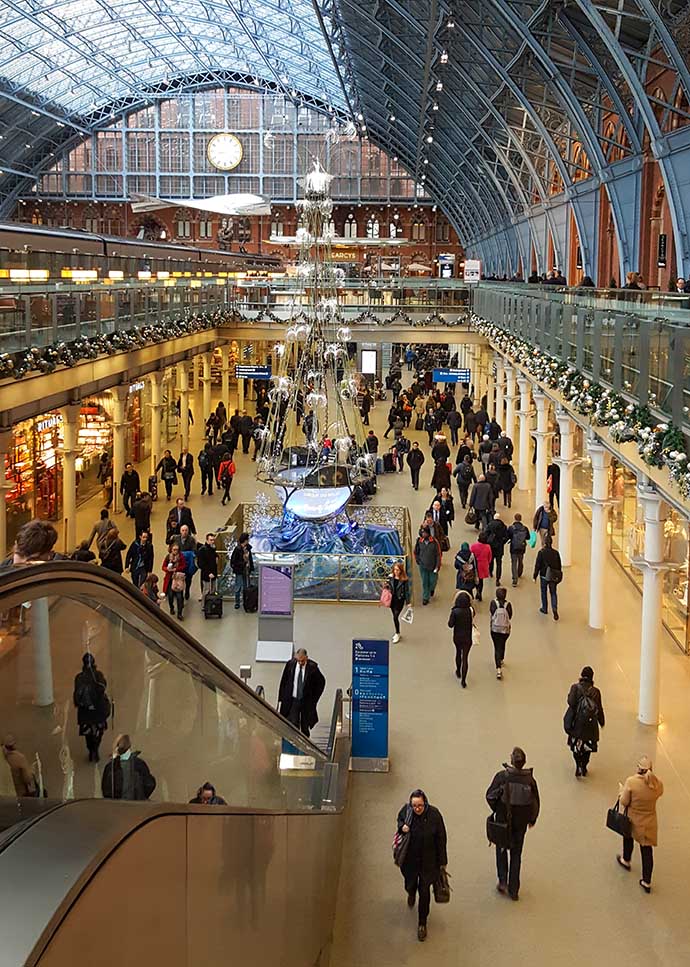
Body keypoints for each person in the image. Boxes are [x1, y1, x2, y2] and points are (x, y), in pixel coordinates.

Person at [486, 747, 540, 901]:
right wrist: (532, 819)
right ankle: (514, 889)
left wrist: (497, 809)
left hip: (503, 820)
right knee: (516, 853)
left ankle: (502, 881)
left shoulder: (502, 777)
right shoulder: (530, 780)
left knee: (501, 849)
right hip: (521, 824)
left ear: (512, 761)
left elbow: (490, 795)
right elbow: (535, 803)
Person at [396, 789, 447, 942]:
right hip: (410, 862)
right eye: (414, 806)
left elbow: (441, 838)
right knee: (410, 884)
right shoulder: (406, 811)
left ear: (425, 803)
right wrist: (402, 827)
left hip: (428, 863)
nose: (417, 809)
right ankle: (411, 893)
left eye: (420, 805)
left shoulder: (434, 815)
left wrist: (442, 862)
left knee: (424, 893)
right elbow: (399, 821)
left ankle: (422, 923)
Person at [616, 755, 664, 893]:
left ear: (639, 768)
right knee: (647, 851)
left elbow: (624, 802)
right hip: (649, 823)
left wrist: (621, 792)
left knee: (628, 837)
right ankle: (646, 881)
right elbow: (660, 791)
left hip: (633, 819)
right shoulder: (656, 784)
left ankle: (626, 860)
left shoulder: (631, 782)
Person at [564, 666, 605, 777]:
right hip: (590, 726)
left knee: (576, 748)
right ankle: (584, 766)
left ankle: (578, 765)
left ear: (581, 676)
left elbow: (571, 703)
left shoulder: (575, 688)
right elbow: (599, 708)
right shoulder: (596, 692)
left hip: (576, 724)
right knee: (587, 749)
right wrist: (602, 721)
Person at [277, 648, 326, 737]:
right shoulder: (290, 665)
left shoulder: (312, 668)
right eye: (298, 660)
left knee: (304, 726)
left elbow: (321, 682)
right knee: (293, 722)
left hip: (305, 701)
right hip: (293, 699)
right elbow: (284, 681)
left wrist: (314, 698)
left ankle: (305, 744)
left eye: (302, 661)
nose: (300, 663)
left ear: (306, 658)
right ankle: (295, 742)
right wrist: (281, 698)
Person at [73, 653, 110, 762]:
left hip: (85, 712)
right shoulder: (98, 675)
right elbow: (103, 687)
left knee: (88, 734)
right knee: (99, 731)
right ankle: (96, 748)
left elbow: (76, 695)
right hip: (98, 710)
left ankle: (91, 750)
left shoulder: (79, 677)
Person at [101, 733, 156, 801]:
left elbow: (105, 790)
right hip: (136, 804)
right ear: (129, 746)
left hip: (117, 806)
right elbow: (149, 784)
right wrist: (142, 797)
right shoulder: (139, 764)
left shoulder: (110, 766)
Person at [448, 590, 475, 687]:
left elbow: (450, 625)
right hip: (468, 637)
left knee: (458, 653)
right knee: (465, 658)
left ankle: (458, 671)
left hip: (457, 636)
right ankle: (463, 680)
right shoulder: (471, 611)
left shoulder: (455, 611)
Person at [533, 535, 562, 620]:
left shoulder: (541, 552)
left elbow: (537, 565)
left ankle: (544, 608)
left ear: (545, 543)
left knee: (544, 592)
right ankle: (554, 609)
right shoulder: (556, 553)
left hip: (544, 575)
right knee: (553, 593)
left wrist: (535, 575)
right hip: (553, 576)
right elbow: (559, 565)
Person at [414, 525, 441, 606]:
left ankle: (431, 589)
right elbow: (416, 552)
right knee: (425, 582)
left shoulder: (434, 542)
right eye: (422, 533)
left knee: (433, 581)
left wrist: (437, 566)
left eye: (425, 533)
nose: (423, 534)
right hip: (423, 565)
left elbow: (438, 554)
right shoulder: (419, 541)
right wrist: (418, 561)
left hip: (432, 565)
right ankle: (425, 597)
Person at [489, 587, 512, 680]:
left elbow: (491, 612)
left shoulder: (493, 603)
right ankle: (501, 658)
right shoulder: (508, 604)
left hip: (495, 628)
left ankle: (498, 668)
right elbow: (510, 615)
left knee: (496, 647)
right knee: (502, 644)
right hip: (505, 630)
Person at [162, 542, 187, 619]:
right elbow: (163, 567)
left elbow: (184, 566)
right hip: (170, 579)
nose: (175, 551)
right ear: (171, 550)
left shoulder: (181, 557)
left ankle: (179, 613)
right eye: (174, 550)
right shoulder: (168, 557)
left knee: (179, 596)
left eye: (177, 550)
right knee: (170, 595)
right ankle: (171, 607)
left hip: (178, 579)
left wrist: (176, 569)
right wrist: (168, 569)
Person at [230, 532, 254, 610]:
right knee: (238, 586)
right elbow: (234, 561)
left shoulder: (247, 548)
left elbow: (250, 559)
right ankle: (237, 602)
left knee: (245, 586)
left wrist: (251, 568)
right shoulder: (238, 549)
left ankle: (245, 601)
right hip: (240, 570)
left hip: (246, 570)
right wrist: (243, 563)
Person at [388, 561, 410, 643]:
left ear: (401, 570)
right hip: (392, 600)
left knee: (395, 616)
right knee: (394, 616)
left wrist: (408, 602)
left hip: (399, 600)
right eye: (394, 570)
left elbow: (407, 591)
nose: (396, 572)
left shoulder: (404, 580)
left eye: (397, 570)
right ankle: (397, 632)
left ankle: (397, 633)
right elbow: (389, 586)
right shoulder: (391, 577)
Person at [173, 524, 197, 600]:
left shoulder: (191, 540)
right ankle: (180, 593)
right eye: (183, 530)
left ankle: (187, 590)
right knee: (179, 578)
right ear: (180, 531)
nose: (184, 532)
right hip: (179, 563)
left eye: (186, 530)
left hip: (188, 563)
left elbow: (194, 551)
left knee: (188, 579)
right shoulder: (176, 539)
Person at [486, 512, 509, 586]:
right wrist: (503, 542)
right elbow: (506, 536)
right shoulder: (503, 526)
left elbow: (486, 534)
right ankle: (498, 579)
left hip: (491, 546)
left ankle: (490, 571)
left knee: (491, 560)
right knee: (499, 563)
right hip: (499, 547)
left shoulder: (490, 524)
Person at [507, 513, 530, 586]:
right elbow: (528, 537)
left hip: (513, 547)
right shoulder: (525, 528)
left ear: (514, 518)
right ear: (521, 519)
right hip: (522, 547)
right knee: (520, 560)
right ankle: (519, 573)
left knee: (514, 562)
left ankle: (514, 579)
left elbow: (508, 536)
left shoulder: (511, 528)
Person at [469, 533, 492, 602]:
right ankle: (479, 593)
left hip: (475, 565)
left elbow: (470, 556)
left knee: (474, 579)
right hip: (483, 565)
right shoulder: (488, 547)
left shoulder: (473, 546)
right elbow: (490, 557)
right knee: (481, 581)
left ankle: (475, 591)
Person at [196, 532, 218, 601]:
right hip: (206, 575)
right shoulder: (203, 550)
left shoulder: (212, 549)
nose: (212, 542)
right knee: (206, 591)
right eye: (211, 540)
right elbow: (201, 564)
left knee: (213, 590)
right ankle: (204, 606)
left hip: (213, 573)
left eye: (213, 540)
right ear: (207, 540)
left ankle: (210, 605)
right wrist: (209, 573)